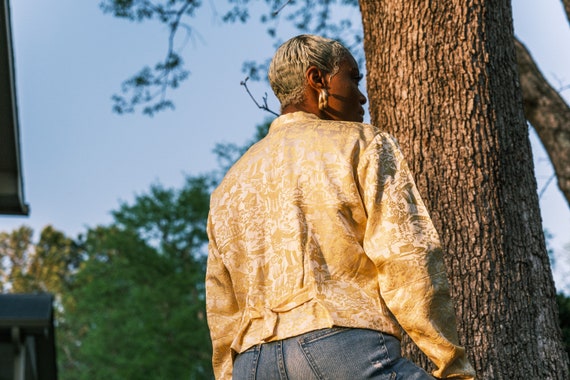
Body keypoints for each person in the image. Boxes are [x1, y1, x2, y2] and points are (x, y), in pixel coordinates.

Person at [206, 34, 476, 379]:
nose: (362, 95)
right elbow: (408, 258)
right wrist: (452, 364)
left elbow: (222, 305)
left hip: (251, 364)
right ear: (317, 79)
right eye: (352, 78)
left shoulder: (229, 184)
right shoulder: (362, 143)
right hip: (339, 349)